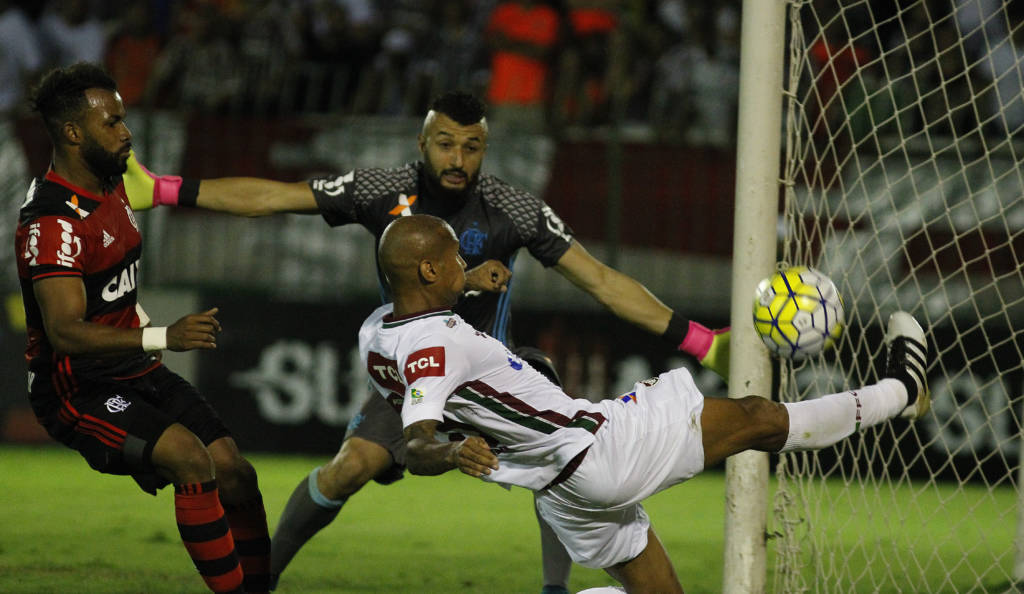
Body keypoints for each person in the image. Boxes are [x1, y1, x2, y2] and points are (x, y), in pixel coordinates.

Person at [124, 90, 730, 592]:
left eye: (471, 145)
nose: (458, 156)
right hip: (419, 378)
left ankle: (553, 587)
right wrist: (167, 191)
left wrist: (701, 340)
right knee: (350, 467)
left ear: (485, 149)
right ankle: (264, 579)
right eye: (445, 142)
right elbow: (276, 198)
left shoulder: (513, 209)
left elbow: (600, 280)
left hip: (500, 383)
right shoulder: (381, 190)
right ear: (423, 143)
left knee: (567, 464)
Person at [362, 213, 931, 593]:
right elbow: (415, 445)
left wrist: (464, 285)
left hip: (562, 493)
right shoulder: (436, 348)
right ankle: (901, 392)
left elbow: (422, 337)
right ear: (430, 269)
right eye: (455, 257)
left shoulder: (377, 333)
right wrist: (453, 449)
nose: (466, 262)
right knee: (758, 418)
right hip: (600, 448)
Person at [14, 63, 271, 594]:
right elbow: (64, 331)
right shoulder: (51, 223)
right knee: (189, 458)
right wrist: (163, 337)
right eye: (112, 122)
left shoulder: (118, 178)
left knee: (235, 472)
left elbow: (203, 196)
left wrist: (305, 199)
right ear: (73, 133)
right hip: (76, 389)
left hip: (133, 369)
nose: (126, 132)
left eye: (124, 119)